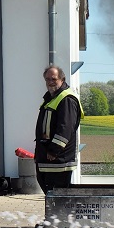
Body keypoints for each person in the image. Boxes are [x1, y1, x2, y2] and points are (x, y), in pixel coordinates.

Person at [34, 65, 83, 193]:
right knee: (52, 196)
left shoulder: (66, 99)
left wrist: (54, 150)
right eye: (47, 79)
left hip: (58, 160)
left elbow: (65, 128)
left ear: (62, 79)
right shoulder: (51, 98)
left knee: (58, 197)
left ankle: (59, 214)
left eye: (54, 79)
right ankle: (55, 214)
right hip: (48, 159)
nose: (50, 82)